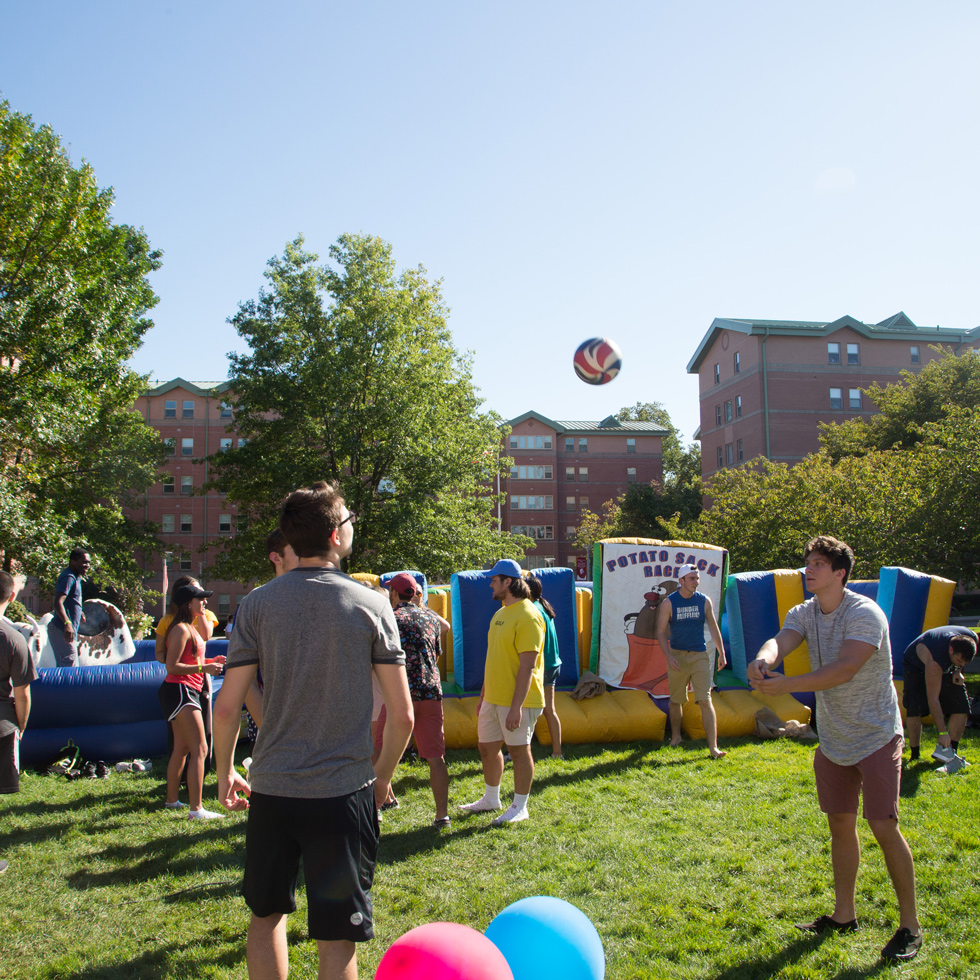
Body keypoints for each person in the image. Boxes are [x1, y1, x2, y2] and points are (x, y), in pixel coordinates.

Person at [213, 481, 413, 980]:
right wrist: (382, 779)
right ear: (333, 535)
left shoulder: (256, 604)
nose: (352, 526)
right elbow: (403, 715)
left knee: (265, 917)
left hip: (272, 791)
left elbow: (227, 706)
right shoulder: (372, 604)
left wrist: (224, 773)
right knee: (337, 936)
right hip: (343, 794)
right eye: (348, 519)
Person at [749, 535, 922, 963]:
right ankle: (844, 915)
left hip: (876, 734)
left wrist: (786, 685)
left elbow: (845, 668)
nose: (808, 569)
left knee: (883, 826)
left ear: (840, 573)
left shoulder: (864, 613)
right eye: (807, 562)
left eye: (818, 564)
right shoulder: (805, 612)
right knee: (840, 826)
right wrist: (763, 660)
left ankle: (910, 926)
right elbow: (781, 640)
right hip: (834, 737)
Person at [459, 559, 546, 826]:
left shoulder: (529, 615)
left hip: (519, 701)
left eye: (494, 580)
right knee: (486, 748)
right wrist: (484, 695)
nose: (490, 584)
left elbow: (528, 666)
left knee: (519, 751)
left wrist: (516, 707)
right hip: (493, 698)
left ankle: (520, 807)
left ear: (508, 582)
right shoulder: (500, 613)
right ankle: (491, 799)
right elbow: (494, 657)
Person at [376, 572, 450, 827]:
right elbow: (435, 655)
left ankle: (374, 809)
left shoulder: (390, 618)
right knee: (436, 758)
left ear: (394, 593)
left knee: (380, 753)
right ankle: (442, 815)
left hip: (400, 695)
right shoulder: (431, 618)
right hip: (430, 692)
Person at [158, 582, 226, 818]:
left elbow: (191, 659)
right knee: (200, 748)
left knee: (182, 748)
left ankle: (172, 801)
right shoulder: (180, 629)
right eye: (200, 599)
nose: (205, 602)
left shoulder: (191, 627)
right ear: (188, 604)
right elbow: (172, 666)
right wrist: (204, 668)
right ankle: (196, 809)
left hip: (186, 689)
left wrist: (209, 661)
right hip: (180, 690)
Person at [655, 564, 727, 759]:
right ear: (682, 581)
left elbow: (714, 627)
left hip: (699, 656)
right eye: (692, 578)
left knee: (705, 699)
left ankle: (713, 748)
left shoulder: (704, 600)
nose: (696, 582)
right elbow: (660, 632)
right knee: (676, 700)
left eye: (697, 578)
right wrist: (669, 656)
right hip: (677, 656)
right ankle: (676, 737)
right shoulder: (669, 603)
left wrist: (721, 653)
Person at [901, 626, 977, 761]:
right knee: (915, 708)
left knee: (962, 706)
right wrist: (942, 732)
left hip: (943, 658)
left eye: (965, 662)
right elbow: (933, 699)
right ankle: (915, 755)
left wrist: (958, 669)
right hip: (914, 665)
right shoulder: (935, 661)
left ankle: (950, 753)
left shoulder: (971, 637)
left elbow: (964, 655)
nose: (962, 663)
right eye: (960, 661)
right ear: (951, 649)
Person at [1, 571, 37, 797]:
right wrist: (20, 727)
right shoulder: (14, 640)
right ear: (12, 596)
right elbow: (22, 694)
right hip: (3, 727)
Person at [527, 575, 563, 759]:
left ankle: (518, 751)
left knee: (524, 709)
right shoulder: (544, 607)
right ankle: (558, 752)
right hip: (552, 664)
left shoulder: (532, 609)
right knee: (550, 710)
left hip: (542, 666)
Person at [49, 548, 90, 667]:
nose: (87, 565)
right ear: (73, 561)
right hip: (61, 630)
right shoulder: (69, 577)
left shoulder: (75, 577)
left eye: (88, 563)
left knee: (71, 667)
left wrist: (78, 611)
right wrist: (67, 623)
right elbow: (58, 602)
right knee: (69, 669)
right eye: (84, 562)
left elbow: (70, 599)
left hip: (66, 632)